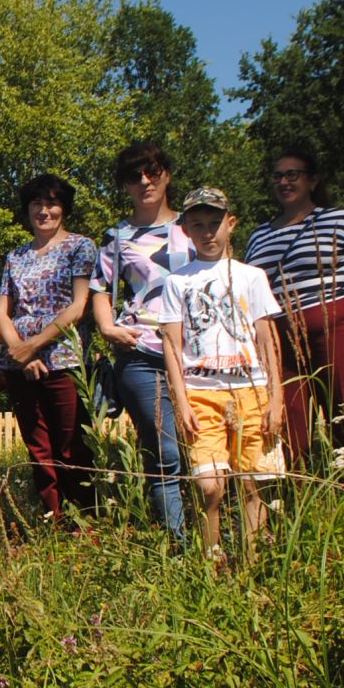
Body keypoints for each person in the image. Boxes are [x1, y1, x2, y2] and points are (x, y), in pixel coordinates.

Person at [155, 188, 286, 564]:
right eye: (199, 225)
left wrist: (275, 397)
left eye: (215, 224)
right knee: (210, 485)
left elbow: (266, 337)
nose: (208, 233)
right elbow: (171, 345)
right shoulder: (177, 282)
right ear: (186, 230)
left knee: (250, 483)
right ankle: (212, 559)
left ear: (231, 224)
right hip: (201, 392)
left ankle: (252, 561)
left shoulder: (252, 276)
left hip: (251, 390)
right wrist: (181, 402)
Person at [243, 148, 344, 461]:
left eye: (292, 174)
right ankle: (297, 499)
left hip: (339, 325)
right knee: (288, 422)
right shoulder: (258, 236)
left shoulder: (339, 220)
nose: (284, 181)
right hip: (280, 338)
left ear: (313, 181)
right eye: (278, 176)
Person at [89, 142, 191, 543]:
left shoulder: (195, 225)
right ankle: (180, 546)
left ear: (166, 174)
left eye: (152, 172)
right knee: (165, 453)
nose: (145, 181)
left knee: (208, 447)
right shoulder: (118, 237)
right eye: (134, 176)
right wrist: (107, 328)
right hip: (142, 353)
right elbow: (99, 287)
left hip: (198, 353)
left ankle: (218, 538)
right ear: (125, 186)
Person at [0, 173, 98, 526]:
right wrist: (18, 351)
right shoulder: (16, 256)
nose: (44, 210)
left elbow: (79, 305)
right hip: (19, 365)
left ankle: (84, 522)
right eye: (37, 203)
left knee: (72, 445)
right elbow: (1, 310)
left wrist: (34, 348)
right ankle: (52, 521)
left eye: (52, 203)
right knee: (39, 449)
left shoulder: (80, 247)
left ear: (63, 208)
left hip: (64, 361)